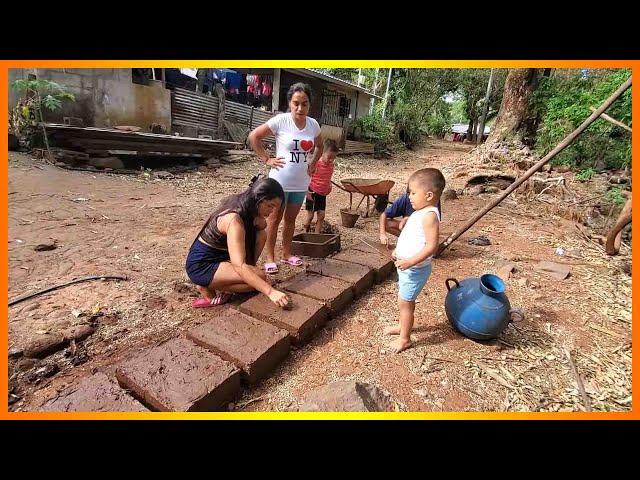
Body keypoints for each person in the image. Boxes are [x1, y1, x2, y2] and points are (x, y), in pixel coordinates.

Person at [248, 82, 323, 274]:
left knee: (291, 220)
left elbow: (320, 146)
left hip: (301, 183)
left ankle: (286, 253)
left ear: (309, 105)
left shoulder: (313, 124)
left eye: (304, 104)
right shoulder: (281, 121)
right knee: (274, 220)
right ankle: (270, 258)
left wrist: (314, 163)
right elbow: (254, 136)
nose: (300, 108)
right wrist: (267, 159)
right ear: (289, 102)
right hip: (279, 183)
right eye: (296, 103)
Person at [185, 176, 289, 309]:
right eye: (270, 206)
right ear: (258, 199)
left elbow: (262, 225)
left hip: (221, 257)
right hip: (202, 265)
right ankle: (207, 287)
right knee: (260, 278)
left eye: (276, 208)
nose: (272, 211)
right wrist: (271, 292)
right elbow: (239, 265)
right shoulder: (234, 220)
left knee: (261, 234)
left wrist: (259, 221)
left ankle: (227, 280)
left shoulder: (245, 204)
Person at [386, 168, 446, 353]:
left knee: (405, 302)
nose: (409, 197)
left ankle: (405, 339)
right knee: (404, 301)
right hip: (408, 267)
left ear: (428, 195)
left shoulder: (429, 216)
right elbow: (410, 236)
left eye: (412, 192)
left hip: (414, 269)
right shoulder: (419, 212)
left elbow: (431, 247)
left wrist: (410, 261)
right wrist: (398, 250)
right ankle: (403, 326)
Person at [304, 139, 339, 233]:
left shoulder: (331, 166)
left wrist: (329, 186)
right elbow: (307, 176)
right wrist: (307, 191)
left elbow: (327, 178)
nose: (331, 160)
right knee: (310, 216)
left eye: (333, 158)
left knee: (321, 215)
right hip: (313, 192)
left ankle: (316, 235)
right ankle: (305, 231)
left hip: (322, 195)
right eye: (329, 157)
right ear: (322, 153)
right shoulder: (316, 163)